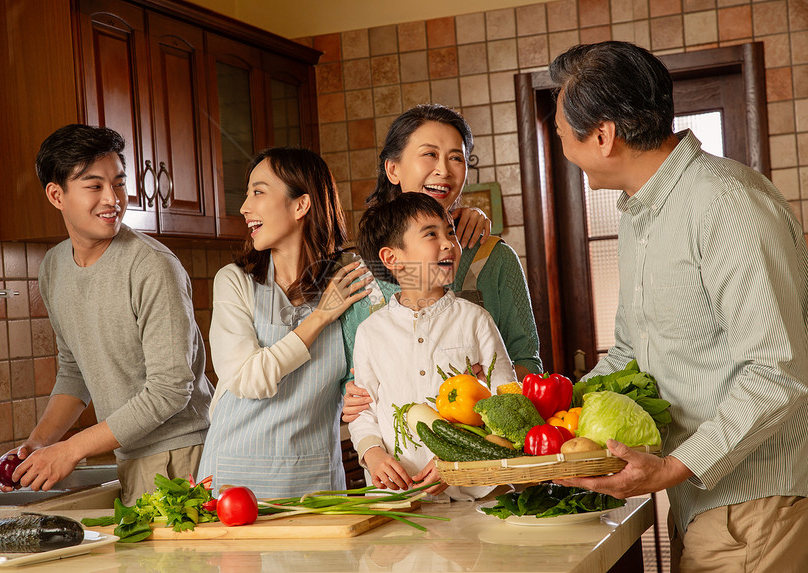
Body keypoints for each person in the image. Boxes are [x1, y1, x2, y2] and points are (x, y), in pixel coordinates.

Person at [546, 41, 808, 572]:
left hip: (756, 505)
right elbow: (629, 353)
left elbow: (776, 374)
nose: (562, 148)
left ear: (603, 135)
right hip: (701, 499)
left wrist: (670, 467)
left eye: (561, 134)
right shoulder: (640, 211)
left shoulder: (725, 203)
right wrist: (552, 417)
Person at [0, 124, 213, 504]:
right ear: (56, 195)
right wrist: (39, 443)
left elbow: (171, 388)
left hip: (183, 456)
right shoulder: (54, 267)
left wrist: (72, 448)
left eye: (119, 184)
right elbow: (75, 370)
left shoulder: (151, 265)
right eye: (94, 186)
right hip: (130, 456)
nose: (113, 199)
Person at [342, 104, 542, 421]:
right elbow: (344, 375)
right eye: (429, 155)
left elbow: (528, 362)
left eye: (456, 157)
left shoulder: (494, 256)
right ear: (392, 169)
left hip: (478, 447)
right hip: (396, 461)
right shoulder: (357, 271)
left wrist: (482, 388)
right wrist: (346, 394)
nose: (444, 170)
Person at [197, 147, 371, 498]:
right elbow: (248, 378)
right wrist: (321, 316)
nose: (245, 207)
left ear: (300, 205)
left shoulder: (351, 281)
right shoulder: (235, 281)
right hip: (233, 480)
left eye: (258, 192)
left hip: (314, 480)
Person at [348, 192, 515, 499]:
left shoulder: (475, 320)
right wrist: (371, 453)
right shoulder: (371, 332)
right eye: (431, 234)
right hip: (399, 499)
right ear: (392, 258)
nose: (449, 242)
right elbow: (364, 409)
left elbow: (506, 402)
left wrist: (457, 460)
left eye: (450, 232)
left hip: (475, 495)